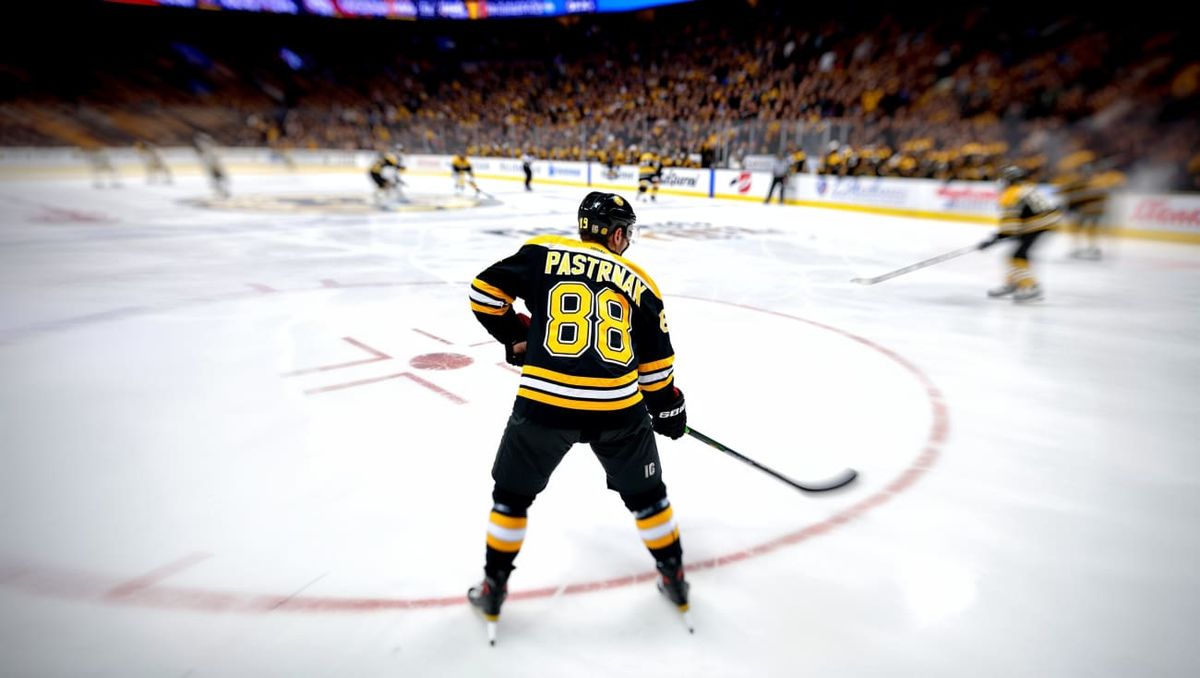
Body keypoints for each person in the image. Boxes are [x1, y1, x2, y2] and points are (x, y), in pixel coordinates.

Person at [466, 191, 691, 644]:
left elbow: (484, 294)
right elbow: (655, 371)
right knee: (649, 498)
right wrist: (669, 409)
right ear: (617, 234)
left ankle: (494, 586)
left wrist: (519, 335)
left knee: (511, 499)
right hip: (617, 410)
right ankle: (673, 576)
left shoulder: (543, 253)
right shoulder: (640, 281)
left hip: (544, 405)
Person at [980, 165, 1063, 302]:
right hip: (1045, 222)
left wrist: (994, 239)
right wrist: (1000, 237)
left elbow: (1009, 225)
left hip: (1037, 225)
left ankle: (1031, 287)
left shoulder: (1011, 193)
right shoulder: (1028, 188)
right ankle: (1013, 283)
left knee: (1017, 256)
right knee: (1016, 255)